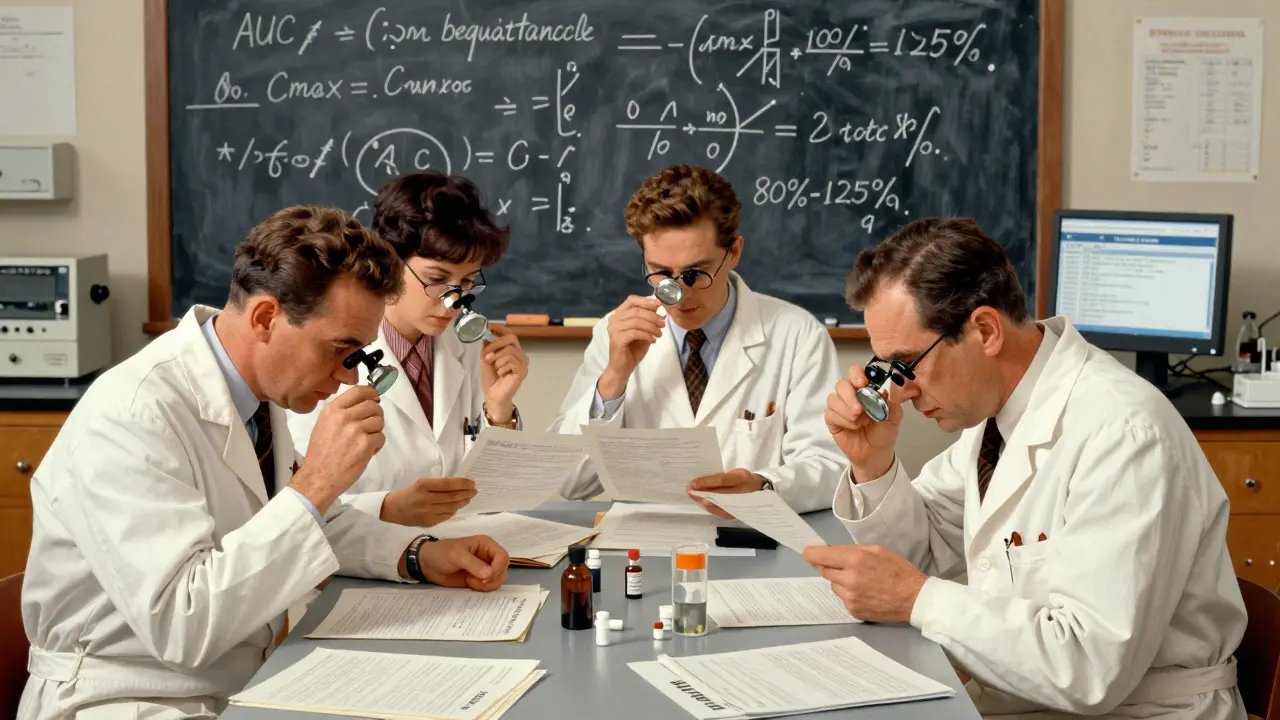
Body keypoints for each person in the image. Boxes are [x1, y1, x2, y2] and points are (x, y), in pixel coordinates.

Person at [19, 206, 512, 720]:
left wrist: (419, 554)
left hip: (238, 679)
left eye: (360, 354)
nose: (348, 378)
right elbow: (181, 624)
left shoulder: (257, 396)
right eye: (341, 350)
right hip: (130, 697)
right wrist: (317, 481)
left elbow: (317, 525)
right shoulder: (132, 414)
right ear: (264, 318)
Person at [806, 217, 1246, 719]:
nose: (898, 392)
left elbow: (1089, 669)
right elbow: (921, 554)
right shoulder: (996, 420)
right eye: (888, 372)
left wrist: (917, 599)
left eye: (906, 365)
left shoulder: (1124, 435)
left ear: (986, 330)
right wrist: (872, 461)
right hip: (1024, 699)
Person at [551, 164, 845, 514]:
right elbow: (569, 482)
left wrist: (765, 484)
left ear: (734, 252)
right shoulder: (615, 333)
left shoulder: (797, 335)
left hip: (752, 543)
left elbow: (830, 467)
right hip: (644, 551)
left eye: (695, 273)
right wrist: (614, 378)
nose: (678, 294)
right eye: (660, 273)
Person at [288, 173, 528, 529]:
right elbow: (295, 499)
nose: (453, 301)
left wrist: (499, 410)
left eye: (465, 282)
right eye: (435, 279)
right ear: (389, 261)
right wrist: (385, 508)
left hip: (457, 551)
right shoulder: (331, 351)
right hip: (360, 558)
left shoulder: (473, 347)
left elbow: (500, 495)